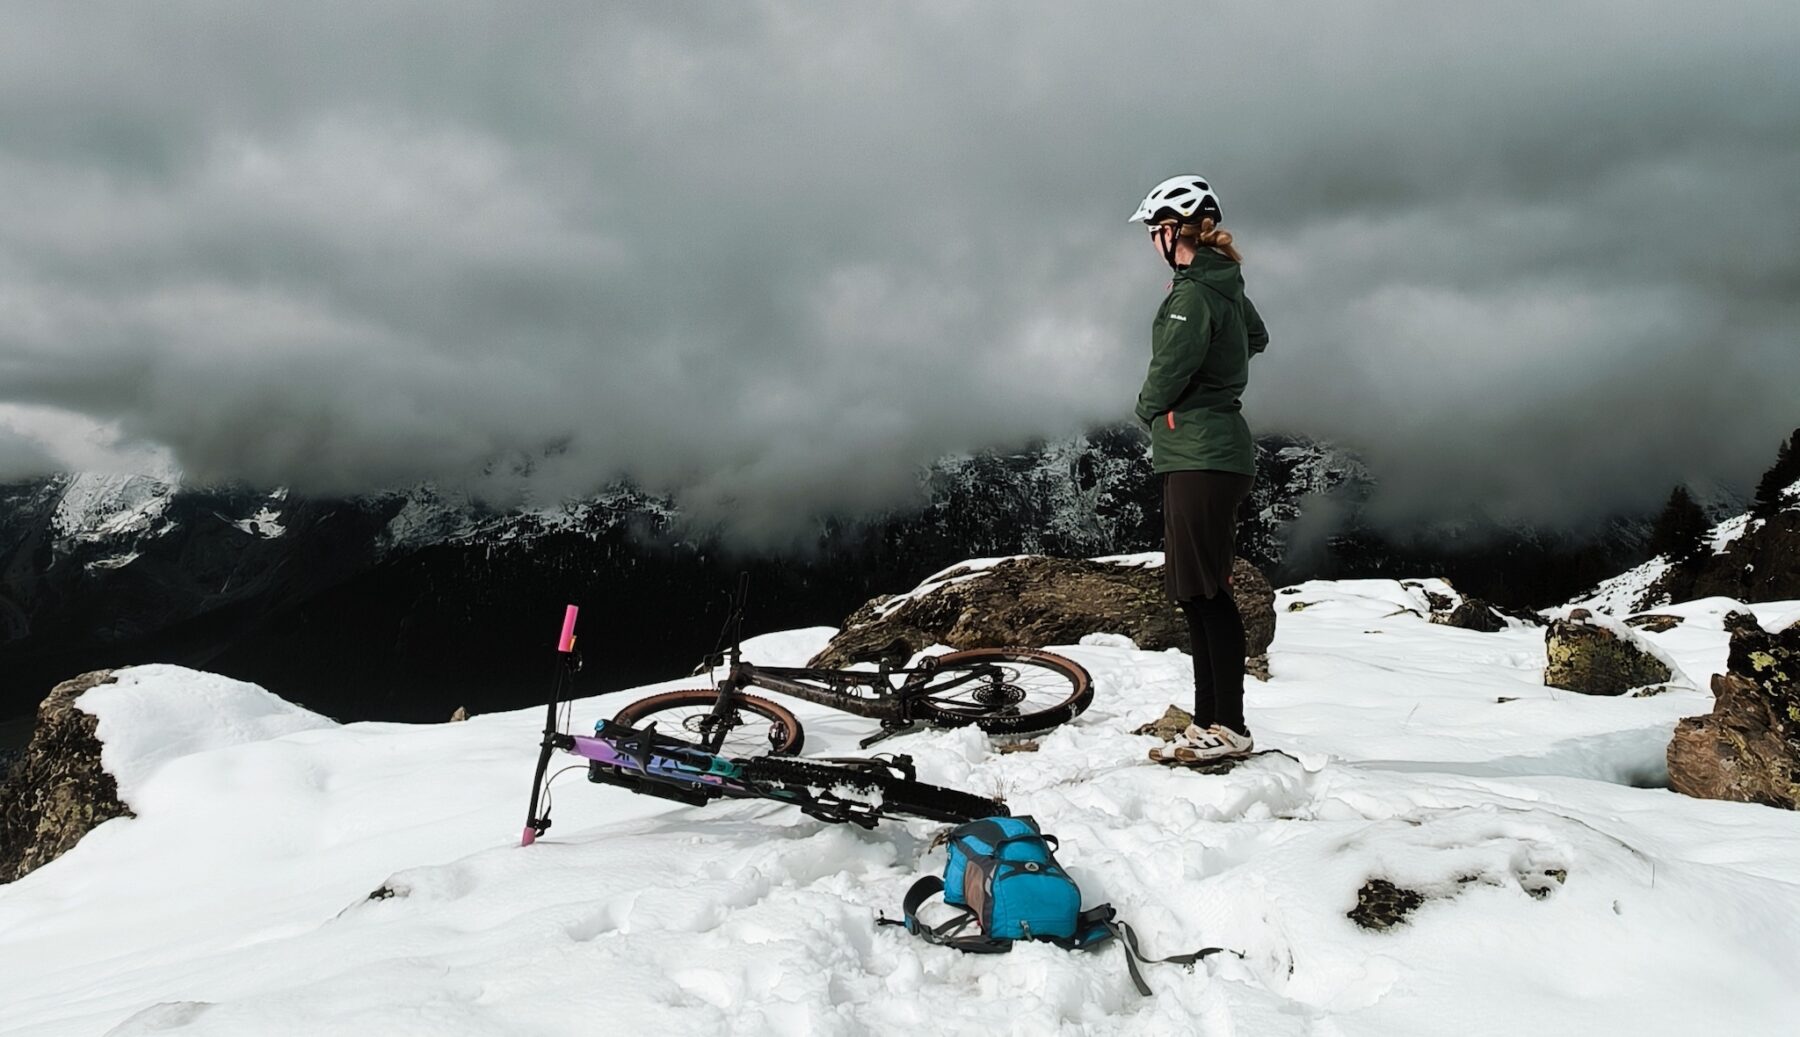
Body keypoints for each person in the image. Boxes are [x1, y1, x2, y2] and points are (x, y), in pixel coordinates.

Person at [1128, 175, 1268, 764]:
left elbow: (1167, 371)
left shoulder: (1192, 295)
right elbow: (1256, 337)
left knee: (1204, 593)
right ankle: (1211, 721)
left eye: (1152, 231)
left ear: (1170, 231)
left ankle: (1227, 725)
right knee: (1200, 591)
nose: (1148, 242)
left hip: (1198, 454)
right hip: (1218, 453)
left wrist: (1151, 410)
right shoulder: (1220, 283)